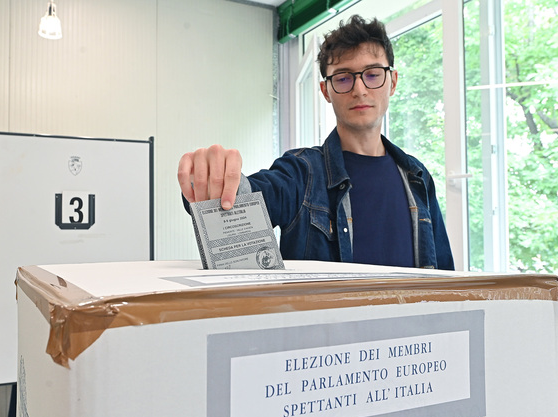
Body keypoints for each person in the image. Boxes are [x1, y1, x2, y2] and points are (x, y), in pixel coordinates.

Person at [177, 15, 454, 270]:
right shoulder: (301, 173)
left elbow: (446, 278)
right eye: (343, 78)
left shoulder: (416, 176)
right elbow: (240, 201)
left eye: (372, 74)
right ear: (326, 91)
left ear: (392, 82)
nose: (359, 89)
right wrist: (211, 175)